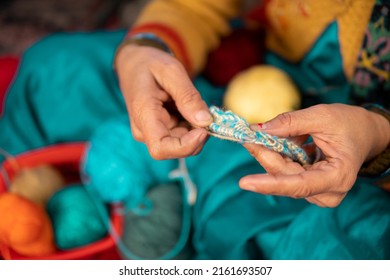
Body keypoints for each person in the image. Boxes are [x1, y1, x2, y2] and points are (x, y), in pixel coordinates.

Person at [0, 0, 389, 259]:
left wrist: (377, 134)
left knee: (342, 248)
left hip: (352, 160)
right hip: (234, 69)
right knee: (50, 72)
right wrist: (146, 49)